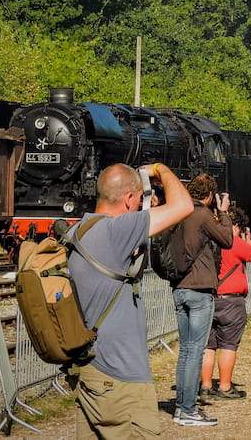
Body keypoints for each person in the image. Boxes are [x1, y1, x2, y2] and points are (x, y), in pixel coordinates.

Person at [68, 163, 193, 439]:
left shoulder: (80, 230)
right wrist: (161, 170)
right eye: (138, 201)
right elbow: (184, 205)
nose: (140, 207)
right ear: (128, 199)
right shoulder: (117, 231)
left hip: (90, 372)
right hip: (122, 378)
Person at [172, 173, 233, 427]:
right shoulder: (201, 213)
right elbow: (227, 240)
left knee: (185, 351)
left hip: (180, 287)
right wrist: (224, 212)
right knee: (196, 351)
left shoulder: (179, 212)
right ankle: (188, 409)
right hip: (199, 289)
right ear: (209, 195)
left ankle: (180, 407)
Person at [200, 206, 251, 399]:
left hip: (207, 298)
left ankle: (205, 385)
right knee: (228, 344)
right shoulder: (233, 242)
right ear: (235, 225)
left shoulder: (207, 241)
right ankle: (225, 387)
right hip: (231, 302)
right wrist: (248, 239)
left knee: (208, 345)